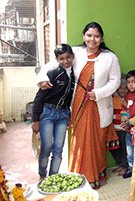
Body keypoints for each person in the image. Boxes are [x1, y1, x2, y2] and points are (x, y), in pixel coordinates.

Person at [37, 22, 121, 189]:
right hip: (78, 105)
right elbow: (51, 65)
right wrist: (41, 79)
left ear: (101, 38)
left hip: (99, 105)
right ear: (84, 36)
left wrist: (98, 93)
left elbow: (115, 81)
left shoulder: (110, 57)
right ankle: (79, 175)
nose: (92, 39)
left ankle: (96, 174)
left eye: (96, 36)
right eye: (89, 35)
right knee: (79, 141)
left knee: (96, 142)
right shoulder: (74, 52)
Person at [32, 44, 75, 179]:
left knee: (58, 148)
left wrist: (68, 115)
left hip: (63, 115)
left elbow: (69, 98)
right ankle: (42, 176)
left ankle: (53, 178)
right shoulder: (53, 74)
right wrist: (35, 120)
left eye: (68, 57)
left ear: (73, 57)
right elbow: (39, 97)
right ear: (57, 60)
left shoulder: (74, 75)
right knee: (47, 147)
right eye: (61, 58)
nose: (66, 61)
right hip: (48, 113)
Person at [121, 70, 135, 179]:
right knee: (129, 151)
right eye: (129, 82)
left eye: (134, 82)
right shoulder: (127, 96)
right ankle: (131, 169)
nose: (131, 85)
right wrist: (124, 119)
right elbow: (123, 108)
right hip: (128, 130)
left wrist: (131, 121)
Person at [111, 76, 129, 176]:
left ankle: (125, 166)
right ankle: (121, 164)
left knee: (125, 149)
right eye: (120, 87)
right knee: (115, 148)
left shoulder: (129, 97)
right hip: (114, 128)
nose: (123, 90)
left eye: (125, 88)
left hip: (124, 129)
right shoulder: (113, 97)